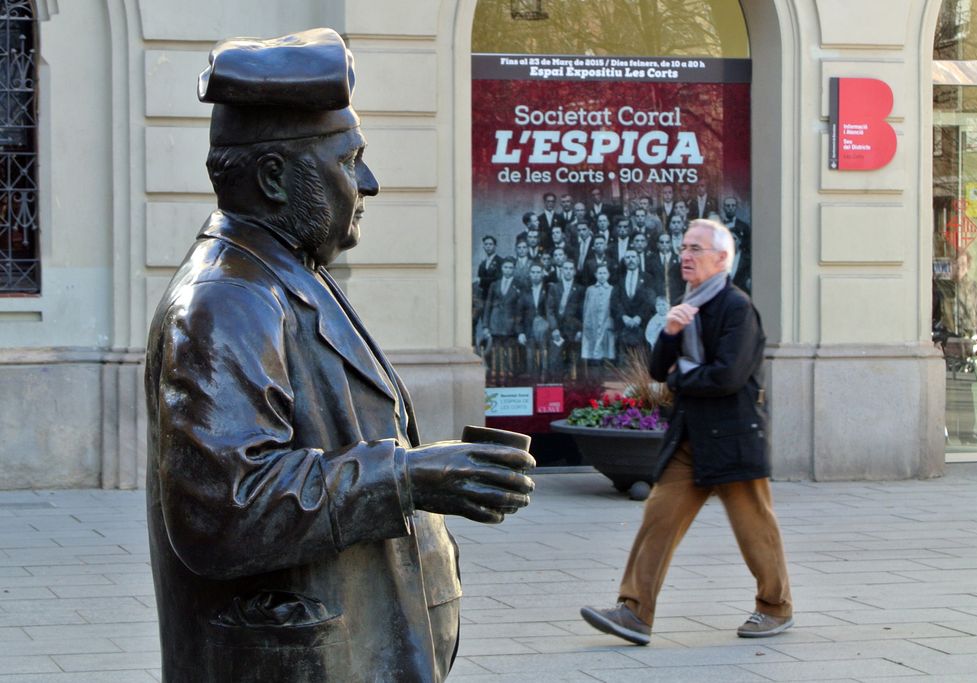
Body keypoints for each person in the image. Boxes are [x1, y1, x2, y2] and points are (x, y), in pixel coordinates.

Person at [145, 29, 535, 683]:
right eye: (349, 162)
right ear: (274, 177)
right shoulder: (227, 301)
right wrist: (409, 476)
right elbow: (226, 510)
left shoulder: (283, 273)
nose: (370, 183)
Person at [581, 218, 792, 645]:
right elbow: (660, 369)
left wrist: (681, 378)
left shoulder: (737, 308)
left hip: (733, 436)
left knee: (755, 528)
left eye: (696, 248)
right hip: (690, 438)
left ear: (722, 259)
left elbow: (728, 376)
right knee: (657, 517)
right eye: (684, 248)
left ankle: (775, 606)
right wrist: (671, 333)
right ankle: (634, 612)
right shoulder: (687, 305)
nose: (686, 255)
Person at [932, 249, 977, 444]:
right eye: (956, 265)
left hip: (966, 343)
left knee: (966, 390)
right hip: (947, 342)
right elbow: (934, 314)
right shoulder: (940, 287)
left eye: (963, 265)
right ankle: (945, 431)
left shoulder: (971, 286)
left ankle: (966, 432)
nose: (960, 269)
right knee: (948, 389)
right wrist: (937, 335)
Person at [580, 263, 616, 366]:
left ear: (608, 275)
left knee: (606, 351)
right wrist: (586, 323)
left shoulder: (611, 289)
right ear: (595, 275)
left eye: (604, 273)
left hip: (606, 324)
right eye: (599, 273)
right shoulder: (590, 289)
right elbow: (586, 308)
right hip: (592, 324)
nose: (602, 275)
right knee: (593, 353)